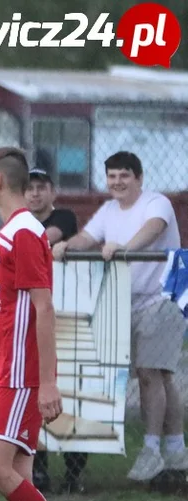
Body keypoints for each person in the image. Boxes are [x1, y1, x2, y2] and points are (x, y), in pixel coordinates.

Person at [0, 146, 95, 501]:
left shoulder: (23, 233)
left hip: (22, 373)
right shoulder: (14, 231)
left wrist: (47, 381)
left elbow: (44, 307)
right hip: (12, 369)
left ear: (0, 182)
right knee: (17, 476)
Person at [55, 151, 188, 483]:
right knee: (160, 376)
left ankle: (151, 449)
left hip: (162, 297)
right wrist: (66, 247)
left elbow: (153, 230)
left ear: (139, 179)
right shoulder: (108, 209)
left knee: (149, 374)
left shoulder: (156, 203)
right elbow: (87, 237)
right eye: (112, 176)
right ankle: (175, 446)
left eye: (124, 176)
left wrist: (125, 247)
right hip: (125, 302)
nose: (117, 182)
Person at [25, 168, 87, 494]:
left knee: (74, 392)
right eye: (29, 188)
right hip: (35, 318)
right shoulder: (19, 224)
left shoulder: (62, 217)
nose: (35, 194)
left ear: (52, 191)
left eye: (41, 187)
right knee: (36, 392)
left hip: (70, 313)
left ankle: (75, 472)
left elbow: (47, 237)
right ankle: (39, 471)